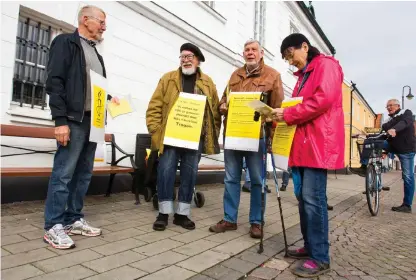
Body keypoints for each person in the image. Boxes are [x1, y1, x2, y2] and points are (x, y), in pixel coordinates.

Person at [43, 5, 120, 249]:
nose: (104, 26)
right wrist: (60, 121)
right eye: (101, 21)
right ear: (85, 20)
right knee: (64, 173)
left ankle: (73, 219)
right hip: (73, 121)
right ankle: (53, 226)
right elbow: (55, 82)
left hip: (93, 121)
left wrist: (110, 99)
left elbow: (92, 87)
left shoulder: (96, 53)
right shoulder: (66, 43)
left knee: (84, 173)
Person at [271, 33, 344, 277]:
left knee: (314, 199)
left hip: (317, 144)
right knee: (304, 198)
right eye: (286, 59)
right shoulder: (304, 76)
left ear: (304, 46)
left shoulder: (326, 65)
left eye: (290, 55)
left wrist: (288, 115)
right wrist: (277, 117)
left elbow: (323, 100)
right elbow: (299, 107)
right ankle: (310, 246)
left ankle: (321, 257)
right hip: (302, 145)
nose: (290, 62)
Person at [209, 39, 284, 239]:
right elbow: (224, 98)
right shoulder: (235, 75)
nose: (250, 53)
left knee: (258, 181)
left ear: (261, 54)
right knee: (231, 178)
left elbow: (278, 111)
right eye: (247, 50)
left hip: (257, 136)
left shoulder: (273, 76)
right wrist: (223, 105)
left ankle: (256, 222)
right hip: (233, 134)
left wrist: (272, 139)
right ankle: (229, 219)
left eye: (254, 50)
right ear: (243, 54)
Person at [146, 43, 221, 231]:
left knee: (189, 174)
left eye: (189, 57)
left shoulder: (208, 83)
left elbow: (215, 113)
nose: (185, 60)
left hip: (195, 138)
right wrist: (155, 130)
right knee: (165, 172)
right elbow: (154, 106)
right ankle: (163, 213)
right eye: (182, 57)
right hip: (170, 136)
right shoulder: (168, 78)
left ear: (198, 60)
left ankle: (182, 214)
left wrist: (212, 133)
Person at [350, 99, 415, 213]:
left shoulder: (406, 112)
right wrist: (364, 135)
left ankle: (407, 205)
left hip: (406, 149)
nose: (389, 107)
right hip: (393, 146)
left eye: (391, 105)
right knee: (370, 141)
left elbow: (405, 123)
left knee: (408, 177)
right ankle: (364, 166)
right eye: (387, 106)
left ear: (398, 105)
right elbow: (380, 135)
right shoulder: (387, 121)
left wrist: (395, 129)